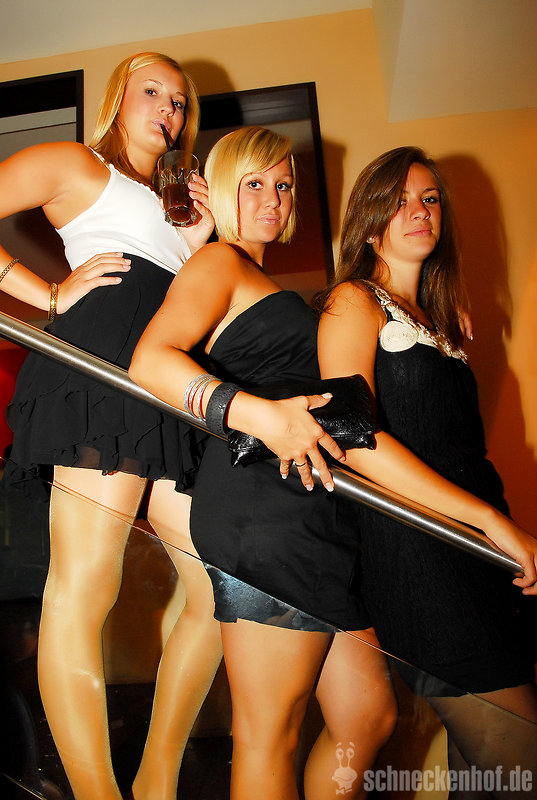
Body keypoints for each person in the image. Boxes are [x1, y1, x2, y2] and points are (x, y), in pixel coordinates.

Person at [129, 126, 396, 800]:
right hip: (262, 514)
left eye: (283, 185)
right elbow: (151, 361)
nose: (273, 199)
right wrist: (260, 415)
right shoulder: (218, 263)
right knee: (268, 735)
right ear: (222, 189)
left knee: (366, 715)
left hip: (309, 515)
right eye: (254, 183)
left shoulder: (258, 276)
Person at [0, 52, 222, 800]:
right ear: (117, 100)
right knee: (85, 587)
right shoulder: (76, 164)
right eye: (151, 90)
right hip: (98, 378)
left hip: (163, 388)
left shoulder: (177, 208)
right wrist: (46, 294)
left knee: (217, 592)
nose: (168, 108)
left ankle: (156, 778)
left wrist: (198, 243)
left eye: (180, 101)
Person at [315, 146, 537, 794]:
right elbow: (353, 440)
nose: (419, 211)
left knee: (486, 776)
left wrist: (495, 525)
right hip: (420, 555)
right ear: (369, 220)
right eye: (400, 200)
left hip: (478, 555)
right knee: (521, 764)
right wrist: (489, 519)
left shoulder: (443, 321)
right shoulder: (353, 302)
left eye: (430, 199)